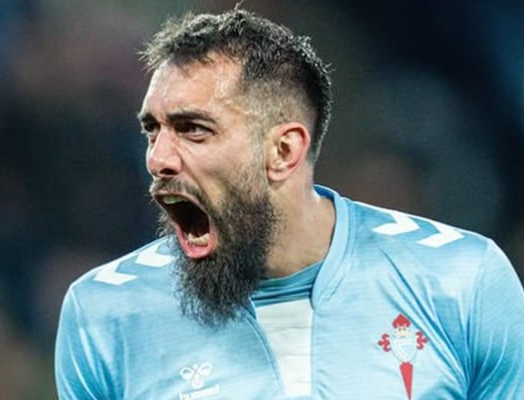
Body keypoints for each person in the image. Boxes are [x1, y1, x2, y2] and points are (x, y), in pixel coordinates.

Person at [55, 8, 524, 400]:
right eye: (152, 131)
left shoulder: (461, 281)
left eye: (193, 129)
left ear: (283, 151)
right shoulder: (106, 313)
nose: (157, 159)